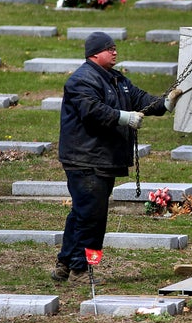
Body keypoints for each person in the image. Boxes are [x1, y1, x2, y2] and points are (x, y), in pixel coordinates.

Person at [52, 31, 183, 282]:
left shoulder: (116, 79)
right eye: (109, 48)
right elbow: (92, 111)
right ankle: (81, 269)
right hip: (85, 159)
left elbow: (140, 99)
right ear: (94, 54)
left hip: (101, 159)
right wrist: (125, 117)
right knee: (93, 217)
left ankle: (65, 262)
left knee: (82, 213)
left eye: (114, 48)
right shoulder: (81, 80)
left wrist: (166, 103)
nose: (114, 52)